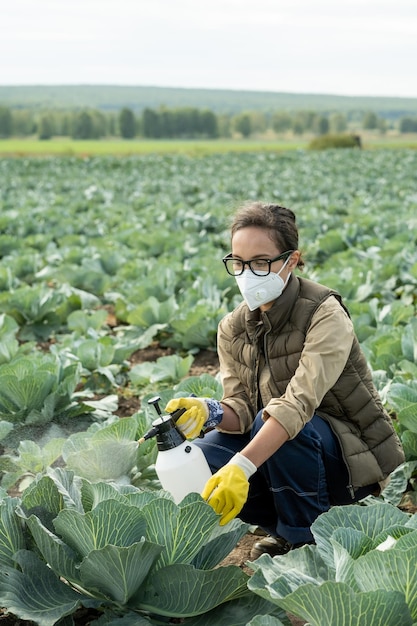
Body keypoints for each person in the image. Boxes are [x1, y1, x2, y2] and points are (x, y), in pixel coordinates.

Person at [166, 201, 404, 558]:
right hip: (286, 451)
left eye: (261, 262)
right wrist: (210, 411)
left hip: (350, 459)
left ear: (291, 261)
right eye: (238, 262)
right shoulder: (232, 327)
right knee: (202, 454)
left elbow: (297, 405)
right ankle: (283, 529)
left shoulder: (324, 312)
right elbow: (242, 408)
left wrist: (242, 466)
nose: (248, 272)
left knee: (275, 422)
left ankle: (307, 541)